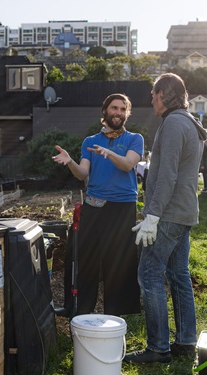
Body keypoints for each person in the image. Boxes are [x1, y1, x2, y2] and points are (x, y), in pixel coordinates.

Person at [124, 73, 206, 364]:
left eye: (153, 95)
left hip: (168, 213)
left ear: (164, 95)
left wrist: (152, 216)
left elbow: (169, 173)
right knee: (178, 275)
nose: (151, 100)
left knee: (149, 274)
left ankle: (158, 347)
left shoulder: (173, 123)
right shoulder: (189, 121)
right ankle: (185, 341)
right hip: (184, 210)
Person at [52, 93, 143, 316]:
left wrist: (110, 153)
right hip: (94, 206)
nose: (118, 113)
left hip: (122, 208)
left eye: (123, 109)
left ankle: (117, 313)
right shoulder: (90, 142)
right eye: (114, 108)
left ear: (126, 114)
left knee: (118, 263)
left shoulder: (134, 139)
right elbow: (83, 173)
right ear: (105, 111)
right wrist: (71, 161)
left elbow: (128, 164)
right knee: (86, 260)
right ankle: (79, 309)